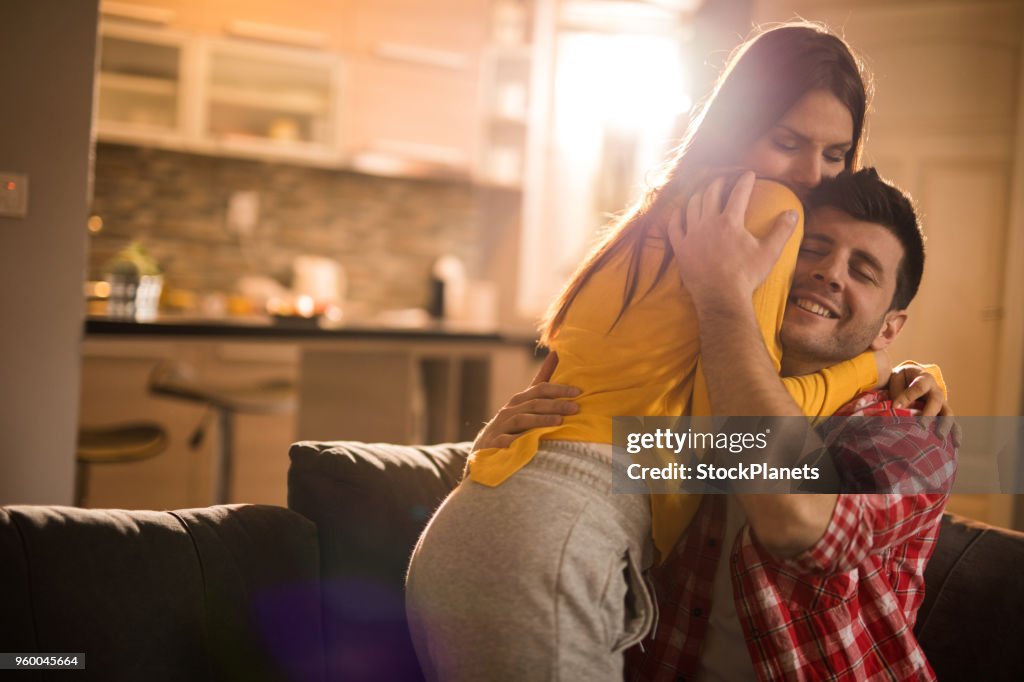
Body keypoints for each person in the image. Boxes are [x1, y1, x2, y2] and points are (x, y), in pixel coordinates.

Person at [405, 23, 945, 681]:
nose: (811, 175)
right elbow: (728, 439)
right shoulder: (765, 209)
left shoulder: (661, 213)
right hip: (555, 536)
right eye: (787, 142)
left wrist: (496, 450)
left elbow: (647, 424)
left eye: (836, 152)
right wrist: (867, 370)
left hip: (506, 522)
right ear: (736, 127)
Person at [495, 169, 955, 679]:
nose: (830, 272)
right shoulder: (697, 403)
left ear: (890, 327)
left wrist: (724, 298)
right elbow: (598, 464)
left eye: (863, 271)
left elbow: (801, 527)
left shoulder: (911, 433)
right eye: (812, 248)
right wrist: (511, 447)